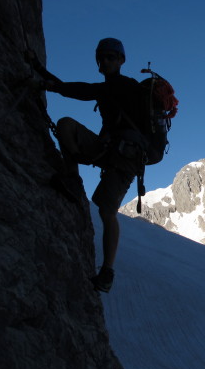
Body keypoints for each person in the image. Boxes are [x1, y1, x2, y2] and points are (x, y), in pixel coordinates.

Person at [29, 38, 148, 292]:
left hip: (125, 159)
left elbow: (85, 90)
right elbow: (85, 89)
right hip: (108, 149)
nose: (105, 61)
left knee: (107, 212)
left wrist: (46, 83)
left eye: (111, 57)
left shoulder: (126, 86)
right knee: (66, 125)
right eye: (102, 57)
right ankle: (72, 179)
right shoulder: (109, 88)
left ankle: (107, 272)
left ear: (121, 61)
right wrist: (43, 75)